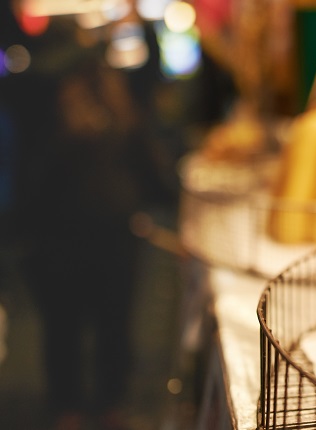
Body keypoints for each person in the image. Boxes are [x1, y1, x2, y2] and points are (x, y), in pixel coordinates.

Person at [2, 12, 176, 430]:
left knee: (115, 325)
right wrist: (96, 40)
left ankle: (111, 402)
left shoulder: (115, 91)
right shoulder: (38, 93)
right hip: (56, 235)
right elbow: (51, 66)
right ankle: (69, 409)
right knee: (63, 327)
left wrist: (143, 22)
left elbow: (151, 69)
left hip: (115, 232)